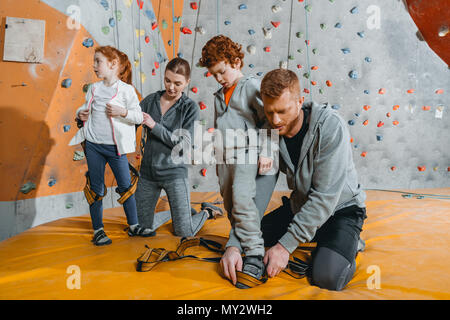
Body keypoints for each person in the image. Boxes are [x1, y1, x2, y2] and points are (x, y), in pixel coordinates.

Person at [259, 68, 367, 291]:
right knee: (251, 237)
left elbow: (325, 197)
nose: (275, 120)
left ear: (299, 101)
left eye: (282, 111)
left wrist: (284, 247)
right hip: (302, 206)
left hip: (341, 209)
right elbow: (259, 184)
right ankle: (316, 233)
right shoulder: (268, 130)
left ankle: (348, 241)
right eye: (269, 112)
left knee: (326, 277)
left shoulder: (330, 127)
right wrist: (240, 237)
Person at [198, 35, 278, 288]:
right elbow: (218, 125)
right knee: (231, 202)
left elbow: (268, 120)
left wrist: (266, 150)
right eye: (214, 74)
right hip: (226, 156)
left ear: (235, 60)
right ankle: (240, 245)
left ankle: (253, 253)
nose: (219, 78)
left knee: (244, 201)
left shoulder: (251, 87)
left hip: (249, 152)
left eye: (222, 71)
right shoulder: (218, 95)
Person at [69, 46, 152, 246]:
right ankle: (98, 230)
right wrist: (80, 114)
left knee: (126, 186)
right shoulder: (93, 88)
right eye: (94, 61)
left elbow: (139, 116)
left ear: (113, 64)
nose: (94, 65)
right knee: (96, 188)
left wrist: (122, 112)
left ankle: (134, 226)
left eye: (98, 61)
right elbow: (84, 107)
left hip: (116, 149)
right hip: (94, 146)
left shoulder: (127, 90)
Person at [135, 57, 223, 237]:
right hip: (148, 173)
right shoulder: (150, 101)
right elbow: (128, 122)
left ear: (187, 82)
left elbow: (184, 145)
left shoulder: (189, 108)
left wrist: (154, 126)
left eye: (177, 83)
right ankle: (179, 214)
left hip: (174, 173)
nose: (171, 87)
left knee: (184, 231)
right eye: (167, 80)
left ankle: (206, 211)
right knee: (142, 228)